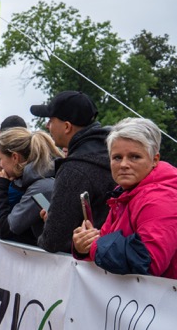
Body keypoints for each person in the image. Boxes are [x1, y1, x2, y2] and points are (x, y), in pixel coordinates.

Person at [73, 118, 177, 278]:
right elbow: (104, 245)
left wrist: (94, 246)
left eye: (135, 157)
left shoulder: (161, 199)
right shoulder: (123, 194)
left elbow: (147, 261)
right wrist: (83, 245)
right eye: (117, 157)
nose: (123, 164)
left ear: (154, 160)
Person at [31, 91, 114, 254]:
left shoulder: (74, 169)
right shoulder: (112, 154)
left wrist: (48, 224)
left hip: (90, 263)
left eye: (51, 120)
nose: (47, 126)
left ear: (67, 127)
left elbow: (52, 241)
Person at [0, 128, 57, 246]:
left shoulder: (41, 188)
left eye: (0, 159)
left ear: (15, 157)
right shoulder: (38, 180)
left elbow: (6, 229)